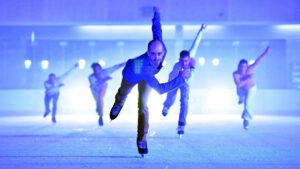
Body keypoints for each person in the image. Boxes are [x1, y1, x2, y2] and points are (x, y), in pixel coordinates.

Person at [109, 7, 190, 157]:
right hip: (133, 71)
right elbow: (160, 89)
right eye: (153, 54)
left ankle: (142, 139)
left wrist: (157, 13)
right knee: (123, 92)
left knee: (143, 106)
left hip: (146, 74)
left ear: (163, 51)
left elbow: (157, 29)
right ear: (148, 53)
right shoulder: (146, 68)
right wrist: (181, 78)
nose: (156, 57)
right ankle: (118, 103)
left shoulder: (160, 45)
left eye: (159, 54)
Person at [162, 24, 207, 137]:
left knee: (185, 101)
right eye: (182, 61)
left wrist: (201, 30)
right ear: (179, 60)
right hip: (175, 80)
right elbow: (171, 81)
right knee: (171, 98)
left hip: (186, 84)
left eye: (186, 61)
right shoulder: (177, 67)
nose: (184, 63)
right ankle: (167, 106)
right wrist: (180, 75)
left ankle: (181, 124)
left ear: (189, 59)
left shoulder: (191, 58)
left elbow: (195, 44)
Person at [233, 46, 271, 130]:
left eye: (245, 67)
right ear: (238, 66)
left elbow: (257, 61)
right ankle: (241, 98)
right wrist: (247, 78)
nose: (243, 69)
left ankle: (246, 119)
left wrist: (266, 52)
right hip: (241, 89)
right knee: (238, 90)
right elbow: (238, 85)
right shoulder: (236, 74)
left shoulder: (249, 69)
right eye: (241, 67)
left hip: (251, 89)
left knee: (247, 104)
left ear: (247, 67)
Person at [88, 62, 125, 126]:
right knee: (98, 101)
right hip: (94, 90)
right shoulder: (91, 77)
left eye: (98, 69)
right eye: (95, 70)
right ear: (93, 71)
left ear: (101, 69)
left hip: (103, 87)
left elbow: (116, 67)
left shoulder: (105, 72)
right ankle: (98, 107)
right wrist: (105, 79)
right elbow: (96, 85)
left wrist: (128, 62)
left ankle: (101, 117)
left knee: (100, 99)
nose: (97, 72)